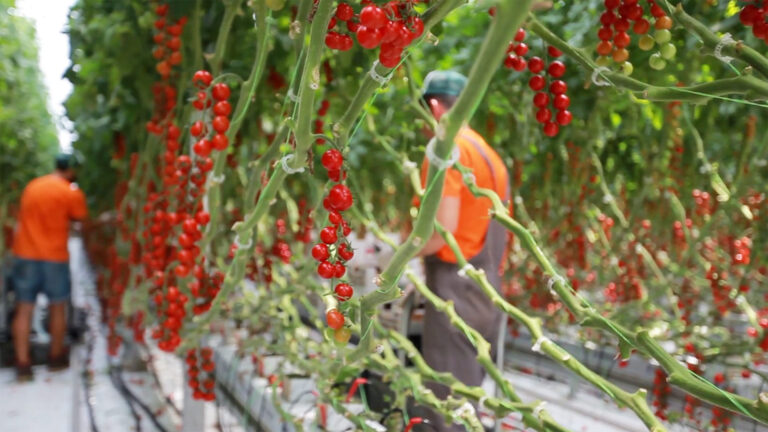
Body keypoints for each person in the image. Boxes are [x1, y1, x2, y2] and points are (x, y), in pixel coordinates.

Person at [415, 70, 510, 431]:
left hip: (454, 291)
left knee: (446, 406)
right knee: (466, 400)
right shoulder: (488, 155)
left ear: (435, 108)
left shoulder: (446, 149)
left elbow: (441, 232)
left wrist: (397, 258)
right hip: (486, 290)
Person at [10, 153, 87, 381]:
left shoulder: (33, 186)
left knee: (24, 308)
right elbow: (80, 221)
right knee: (57, 307)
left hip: (25, 253)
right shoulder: (70, 191)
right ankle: (56, 358)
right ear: (70, 171)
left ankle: (23, 364)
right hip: (54, 256)